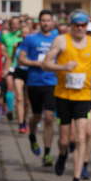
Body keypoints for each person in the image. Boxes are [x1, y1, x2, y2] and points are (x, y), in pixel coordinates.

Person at [43, 10, 91, 181]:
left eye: (83, 25)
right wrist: (62, 67)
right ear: (71, 25)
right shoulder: (61, 40)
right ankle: (61, 154)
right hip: (63, 94)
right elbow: (46, 63)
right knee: (64, 139)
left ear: (87, 26)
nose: (79, 28)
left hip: (84, 95)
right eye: (76, 24)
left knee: (81, 137)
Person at [20, 10, 57, 166]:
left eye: (48, 20)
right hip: (34, 82)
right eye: (43, 20)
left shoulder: (58, 39)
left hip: (51, 82)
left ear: (52, 22)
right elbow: (21, 59)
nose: (46, 23)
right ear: (39, 22)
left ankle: (47, 153)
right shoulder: (30, 39)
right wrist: (36, 63)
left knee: (49, 117)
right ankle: (32, 135)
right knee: (36, 116)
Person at [1, 16, 23, 122]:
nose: (14, 25)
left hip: (20, 66)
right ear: (10, 25)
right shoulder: (5, 36)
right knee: (9, 87)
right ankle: (10, 110)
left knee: (19, 92)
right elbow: (1, 49)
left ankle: (19, 110)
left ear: (19, 25)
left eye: (16, 23)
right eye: (12, 23)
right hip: (9, 65)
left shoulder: (23, 37)